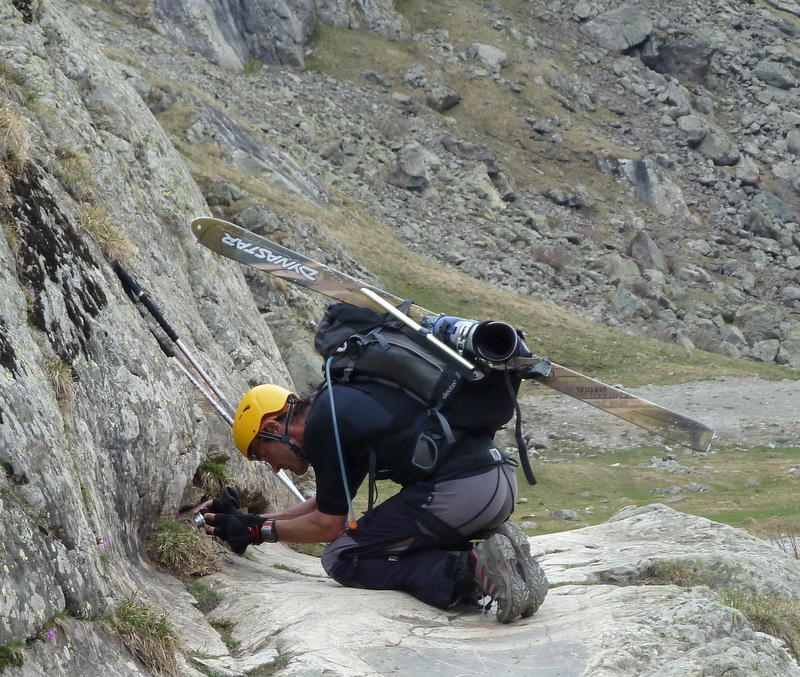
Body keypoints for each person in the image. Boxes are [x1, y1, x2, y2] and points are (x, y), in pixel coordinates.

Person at [195, 382, 548, 623]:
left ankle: (474, 568)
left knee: (343, 556)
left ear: (272, 425)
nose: (272, 466)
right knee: (369, 540)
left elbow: (329, 527)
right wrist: (251, 520)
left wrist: (258, 531)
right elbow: (325, 505)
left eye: (262, 453)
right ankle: (502, 553)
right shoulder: (336, 408)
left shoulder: (322, 425)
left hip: (463, 489)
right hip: (497, 484)